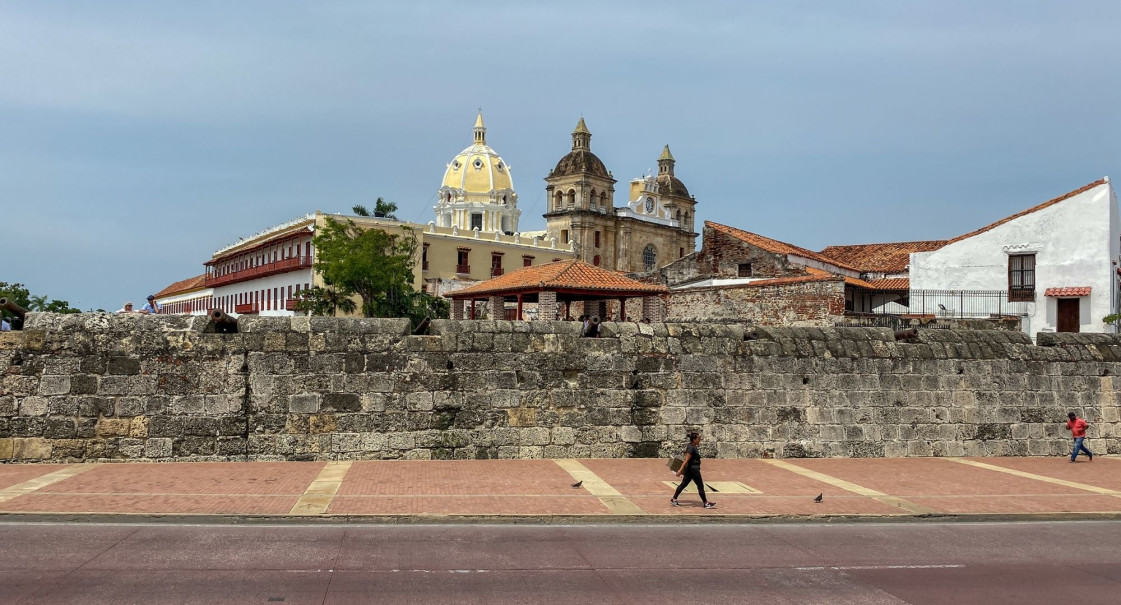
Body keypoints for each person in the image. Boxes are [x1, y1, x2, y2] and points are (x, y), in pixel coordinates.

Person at [671, 431, 715, 509]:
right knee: (700, 486)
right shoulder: (691, 448)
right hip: (694, 470)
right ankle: (706, 503)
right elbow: (686, 460)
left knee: (683, 484)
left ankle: (674, 499)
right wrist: (680, 470)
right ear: (694, 440)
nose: (700, 440)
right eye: (698, 439)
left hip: (690, 470)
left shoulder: (690, 446)